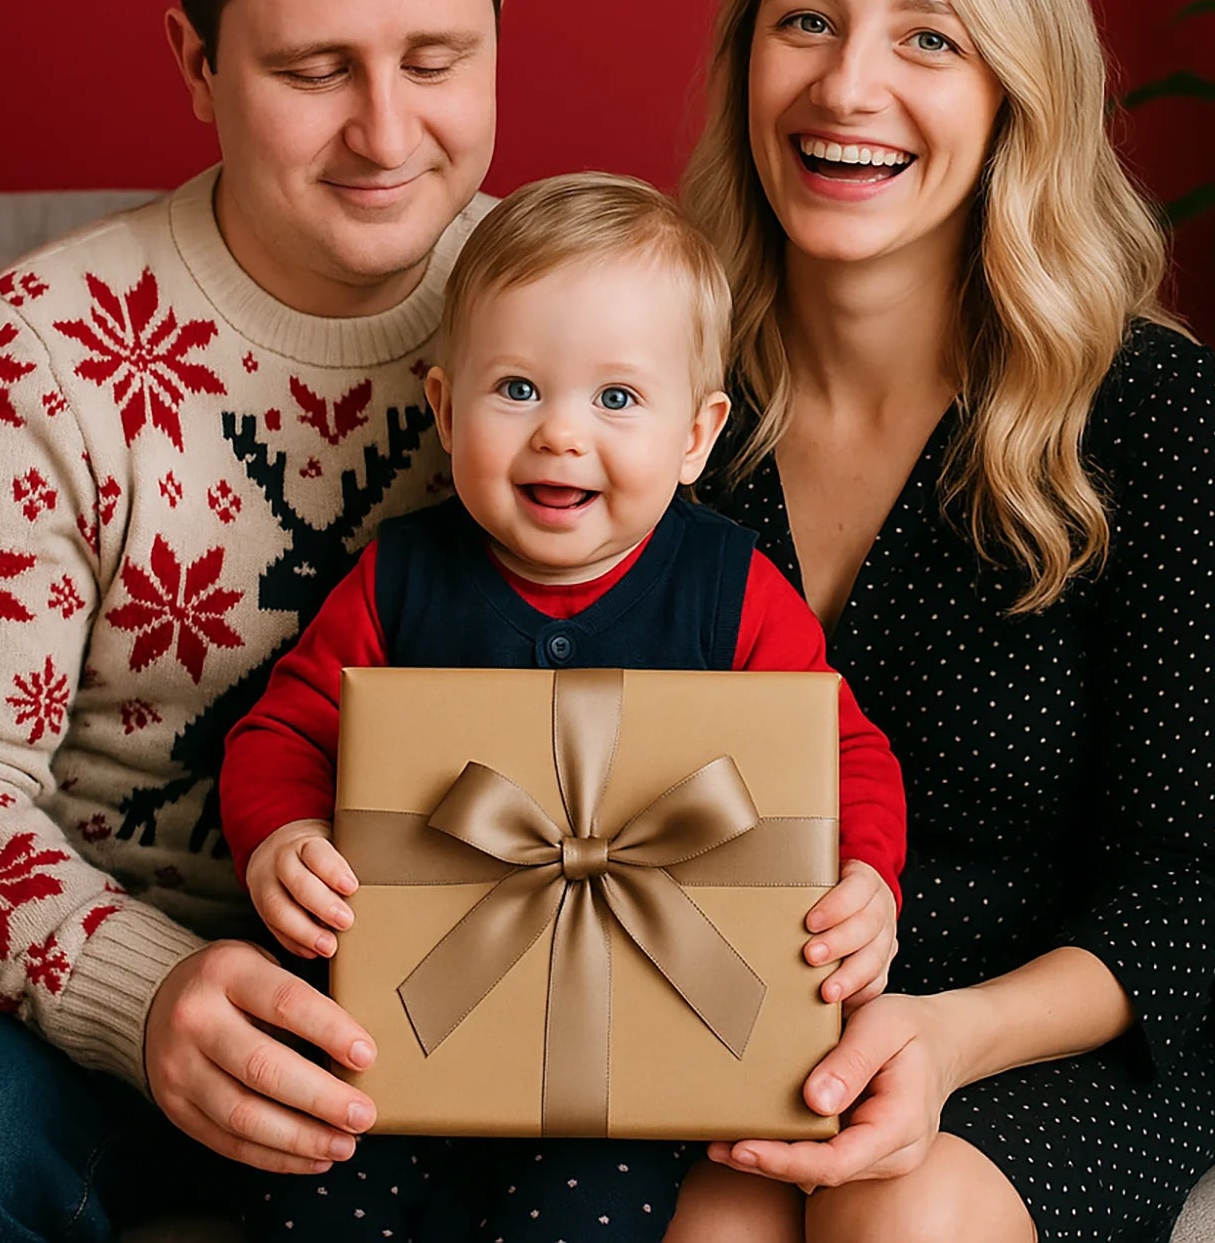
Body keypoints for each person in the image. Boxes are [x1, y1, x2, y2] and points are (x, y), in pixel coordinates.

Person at [0, 0, 507, 1239]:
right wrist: (144, 989)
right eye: (314, 70)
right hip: (74, 969)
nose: (387, 132)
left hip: (453, 984)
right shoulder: (39, 349)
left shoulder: (586, 328)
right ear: (197, 62)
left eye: (436, 59)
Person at [663, 0, 1215, 1243]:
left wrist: (947, 1036)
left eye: (928, 39)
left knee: (906, 1211)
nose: (845, 86)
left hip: (1042, 1029)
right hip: (726, 1025)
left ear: (1014, 93)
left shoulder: (1152, 411)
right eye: (804, 21)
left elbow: (1191, 887)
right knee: (716, 1223)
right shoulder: (651, 393)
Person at [221, 171, 908, 1240]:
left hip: (632, 1063)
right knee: (308, 1199)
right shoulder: (399, 579)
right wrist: (284, 836)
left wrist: (867, 877)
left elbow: (842, 751)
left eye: (617, 399)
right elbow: (285, 732)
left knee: (583, 1225)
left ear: (696, 435)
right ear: (445, 410)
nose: (560, 435)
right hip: (395, 1037)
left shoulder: (733, 593)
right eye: (517, 389)